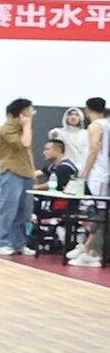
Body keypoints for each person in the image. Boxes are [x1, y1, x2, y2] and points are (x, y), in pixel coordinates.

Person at [0, 98, 37, 256]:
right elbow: (25, 144)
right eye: (30, 110)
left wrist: (32, 171)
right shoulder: (7, 129)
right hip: (12, 172)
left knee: (24, 211)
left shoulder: (23, 128)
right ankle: (0, 243)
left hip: (26, 173)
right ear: (21, 112)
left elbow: (28, 152)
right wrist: (27, 125)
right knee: (7, 209)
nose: (33, 113)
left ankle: (19, 243)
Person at [72, 98, 109, 268]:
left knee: (98, 215)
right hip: (103, 173)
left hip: (97, 174)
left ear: (87, 110)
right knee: (99, 214)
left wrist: (85, 172)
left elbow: (94, 150)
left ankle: (94, 253)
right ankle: (88, 248)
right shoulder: (107, 124)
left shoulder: (95, 126)